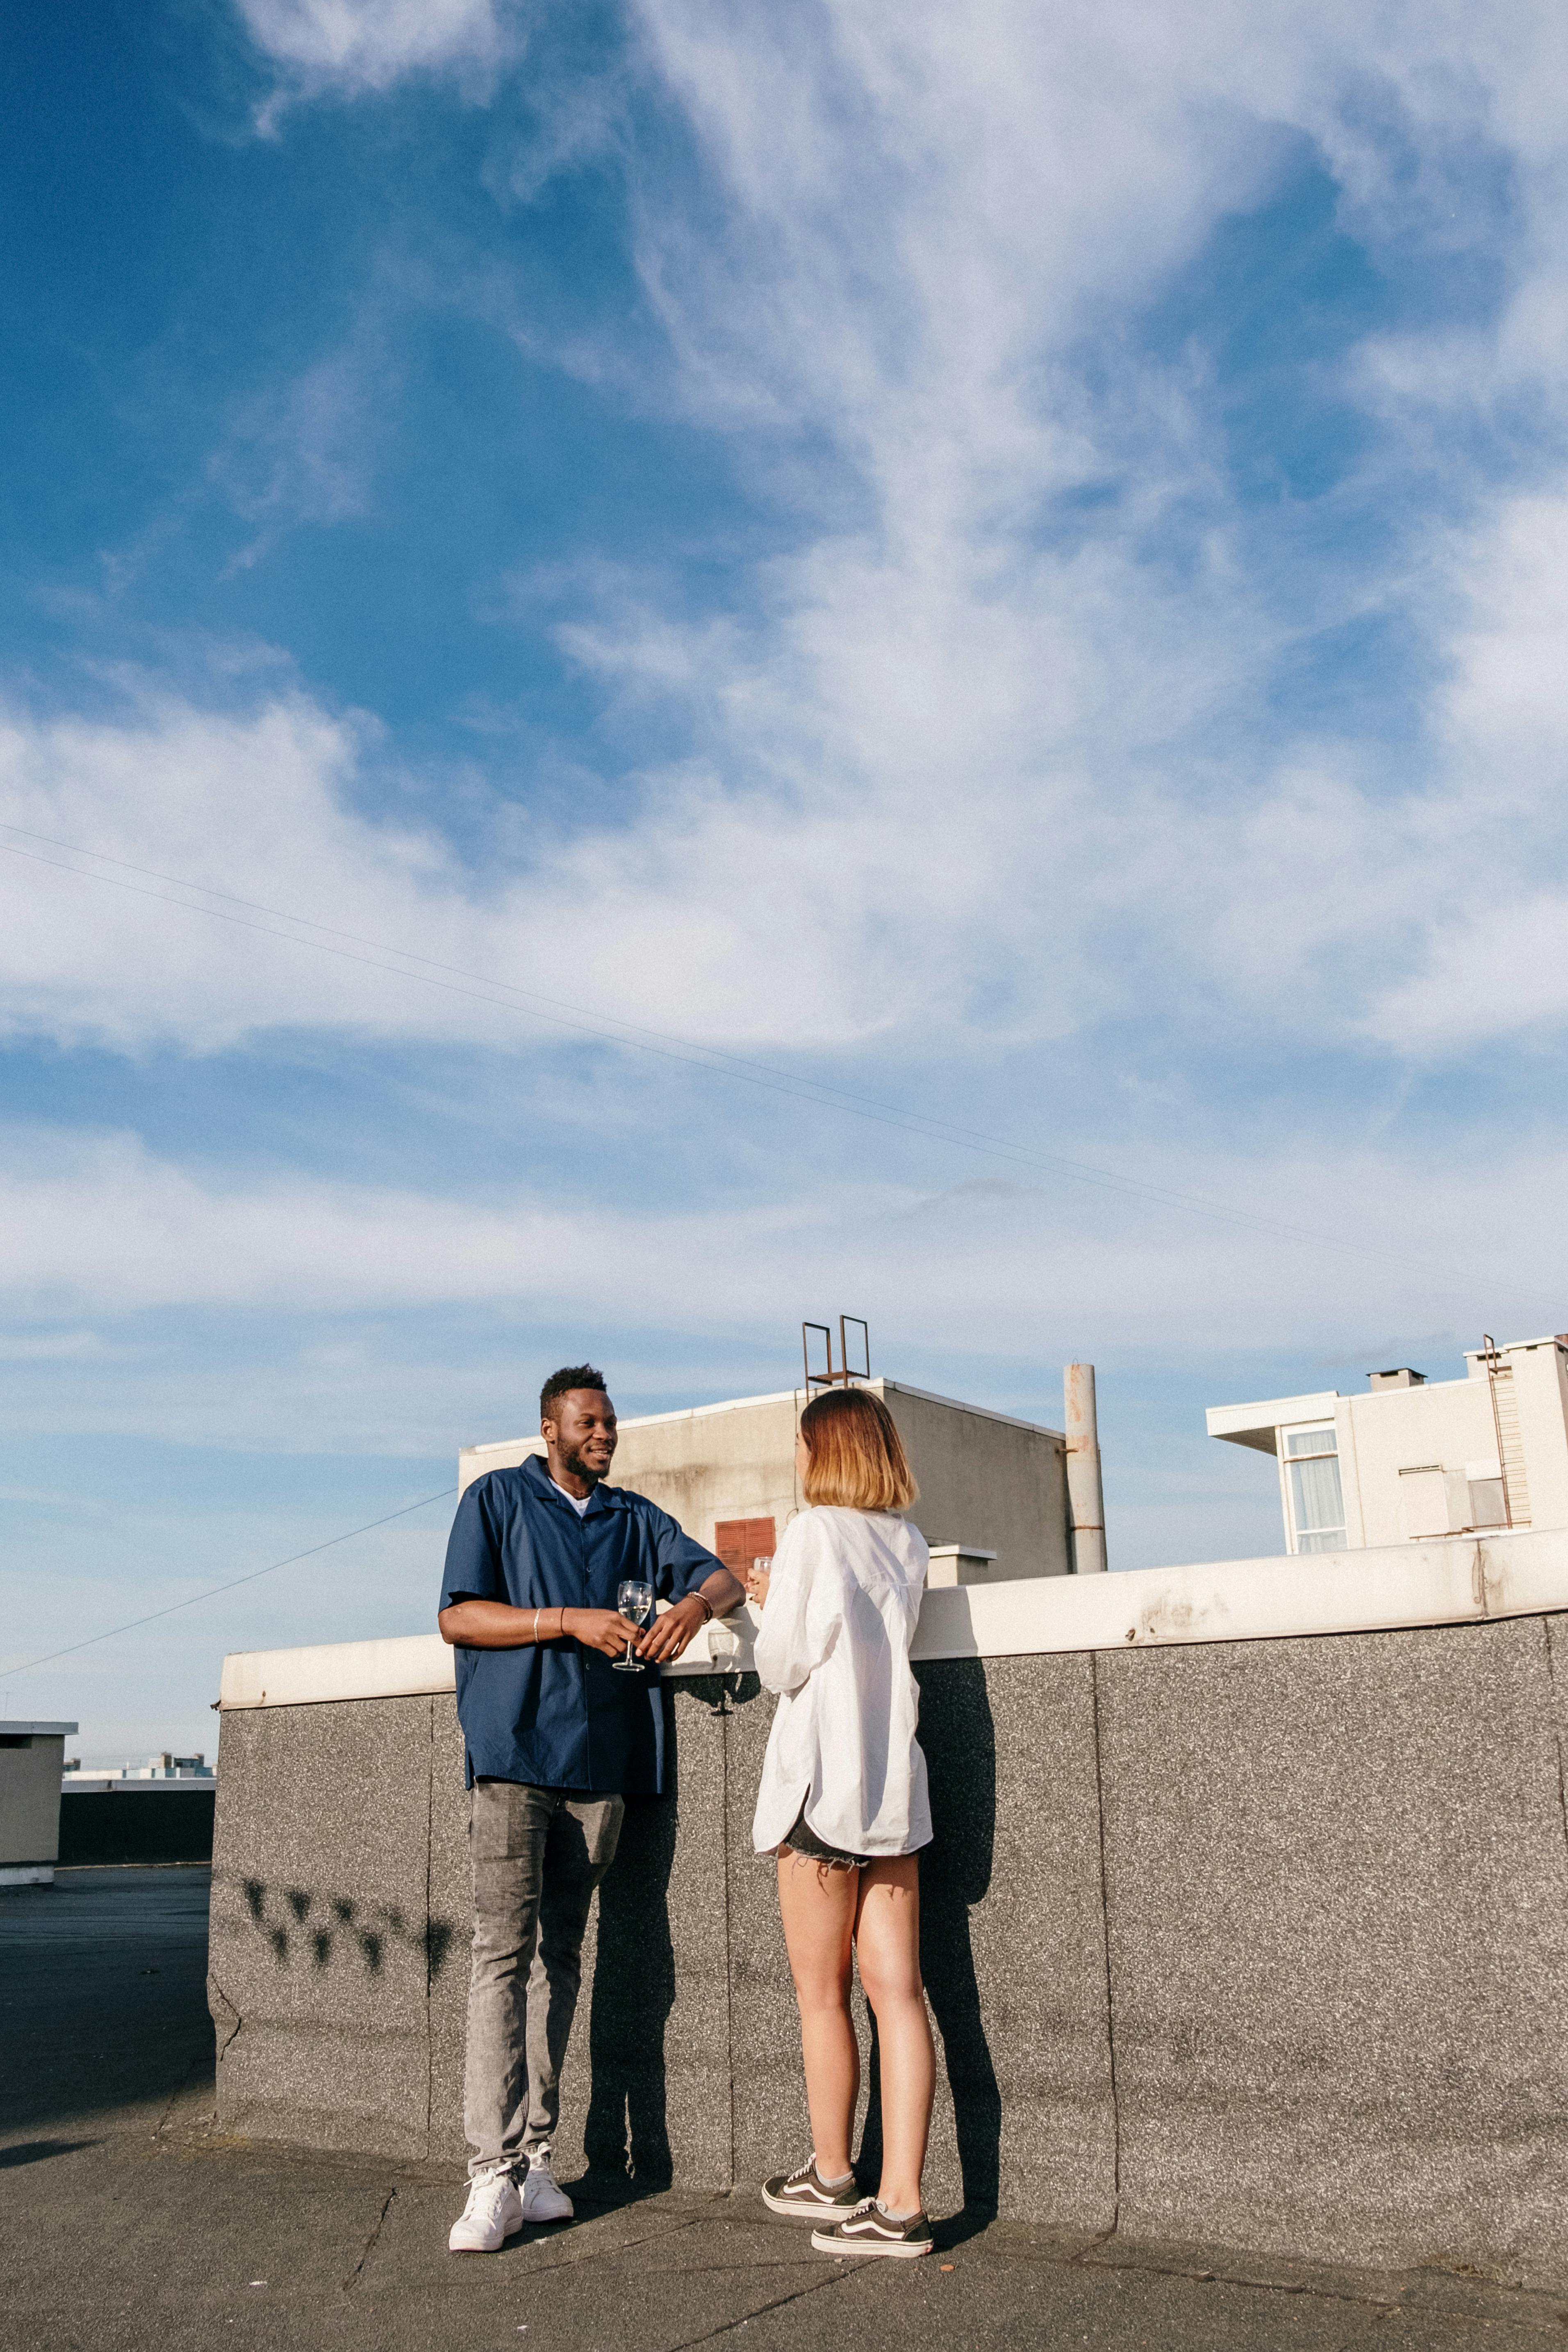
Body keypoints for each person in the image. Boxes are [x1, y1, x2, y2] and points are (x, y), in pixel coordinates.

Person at [438, 1364, 744, 2254]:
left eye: (611, 1422)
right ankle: (487, 2175)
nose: (605, 1434)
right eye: (589, 1422)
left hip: (601, 1765)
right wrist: (566, 1618)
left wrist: (689, 1606)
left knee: (559, 1959)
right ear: (550, 1428)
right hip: (510, 1754)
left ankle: (537, 2158)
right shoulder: (495, 1499)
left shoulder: (636, 1517)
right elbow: (458, 1620)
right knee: (501, 1955)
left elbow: (723, 1577)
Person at [747, 1386, 935, 2260]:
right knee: (896, 1994)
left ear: (822, 1449)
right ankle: (901, 2201)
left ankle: (831, 2172)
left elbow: (783, 1660)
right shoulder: (908, 1542)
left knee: (820, 1994)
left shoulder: (813, 1532)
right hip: (893, 1789)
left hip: (823, 1792)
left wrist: (764, 1598)